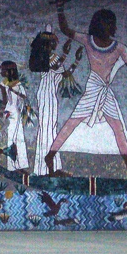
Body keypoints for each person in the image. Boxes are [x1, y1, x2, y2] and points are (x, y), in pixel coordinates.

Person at [43, 1, 127, 179]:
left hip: (105, 90)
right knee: (72, 123)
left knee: (118, 127)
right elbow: (65, 29)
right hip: (93, 87)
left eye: (112, 23)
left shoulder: (120, 48)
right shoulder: (88, 40)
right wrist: (60, 9)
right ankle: (49, 160)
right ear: (99, 24)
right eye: (108, 22)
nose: (111, 26)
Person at [28, 26, 82, 176]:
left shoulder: (53, 57)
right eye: (53, 42)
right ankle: (43, 170)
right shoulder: (46, 57)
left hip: (51, 94)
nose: (55, 45)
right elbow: (59, 66)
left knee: (51, 129)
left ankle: (53, 168)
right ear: (46, 44)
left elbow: (65, 74)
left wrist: (76, 60)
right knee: (46, 129)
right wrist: (67, 53)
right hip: (45, 94)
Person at [0, 61, 29, 174]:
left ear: (10, 71)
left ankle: (20, 166)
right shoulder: (3, 83)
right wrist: (2, 111)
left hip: (16, 112)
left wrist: (14, 90)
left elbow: (24, 96)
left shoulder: (18, 84)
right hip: (9, 111)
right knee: (11, 138)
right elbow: (4, 100)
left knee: (18, 138)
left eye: (3, 70)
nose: (2, 72)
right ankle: (12, 167)